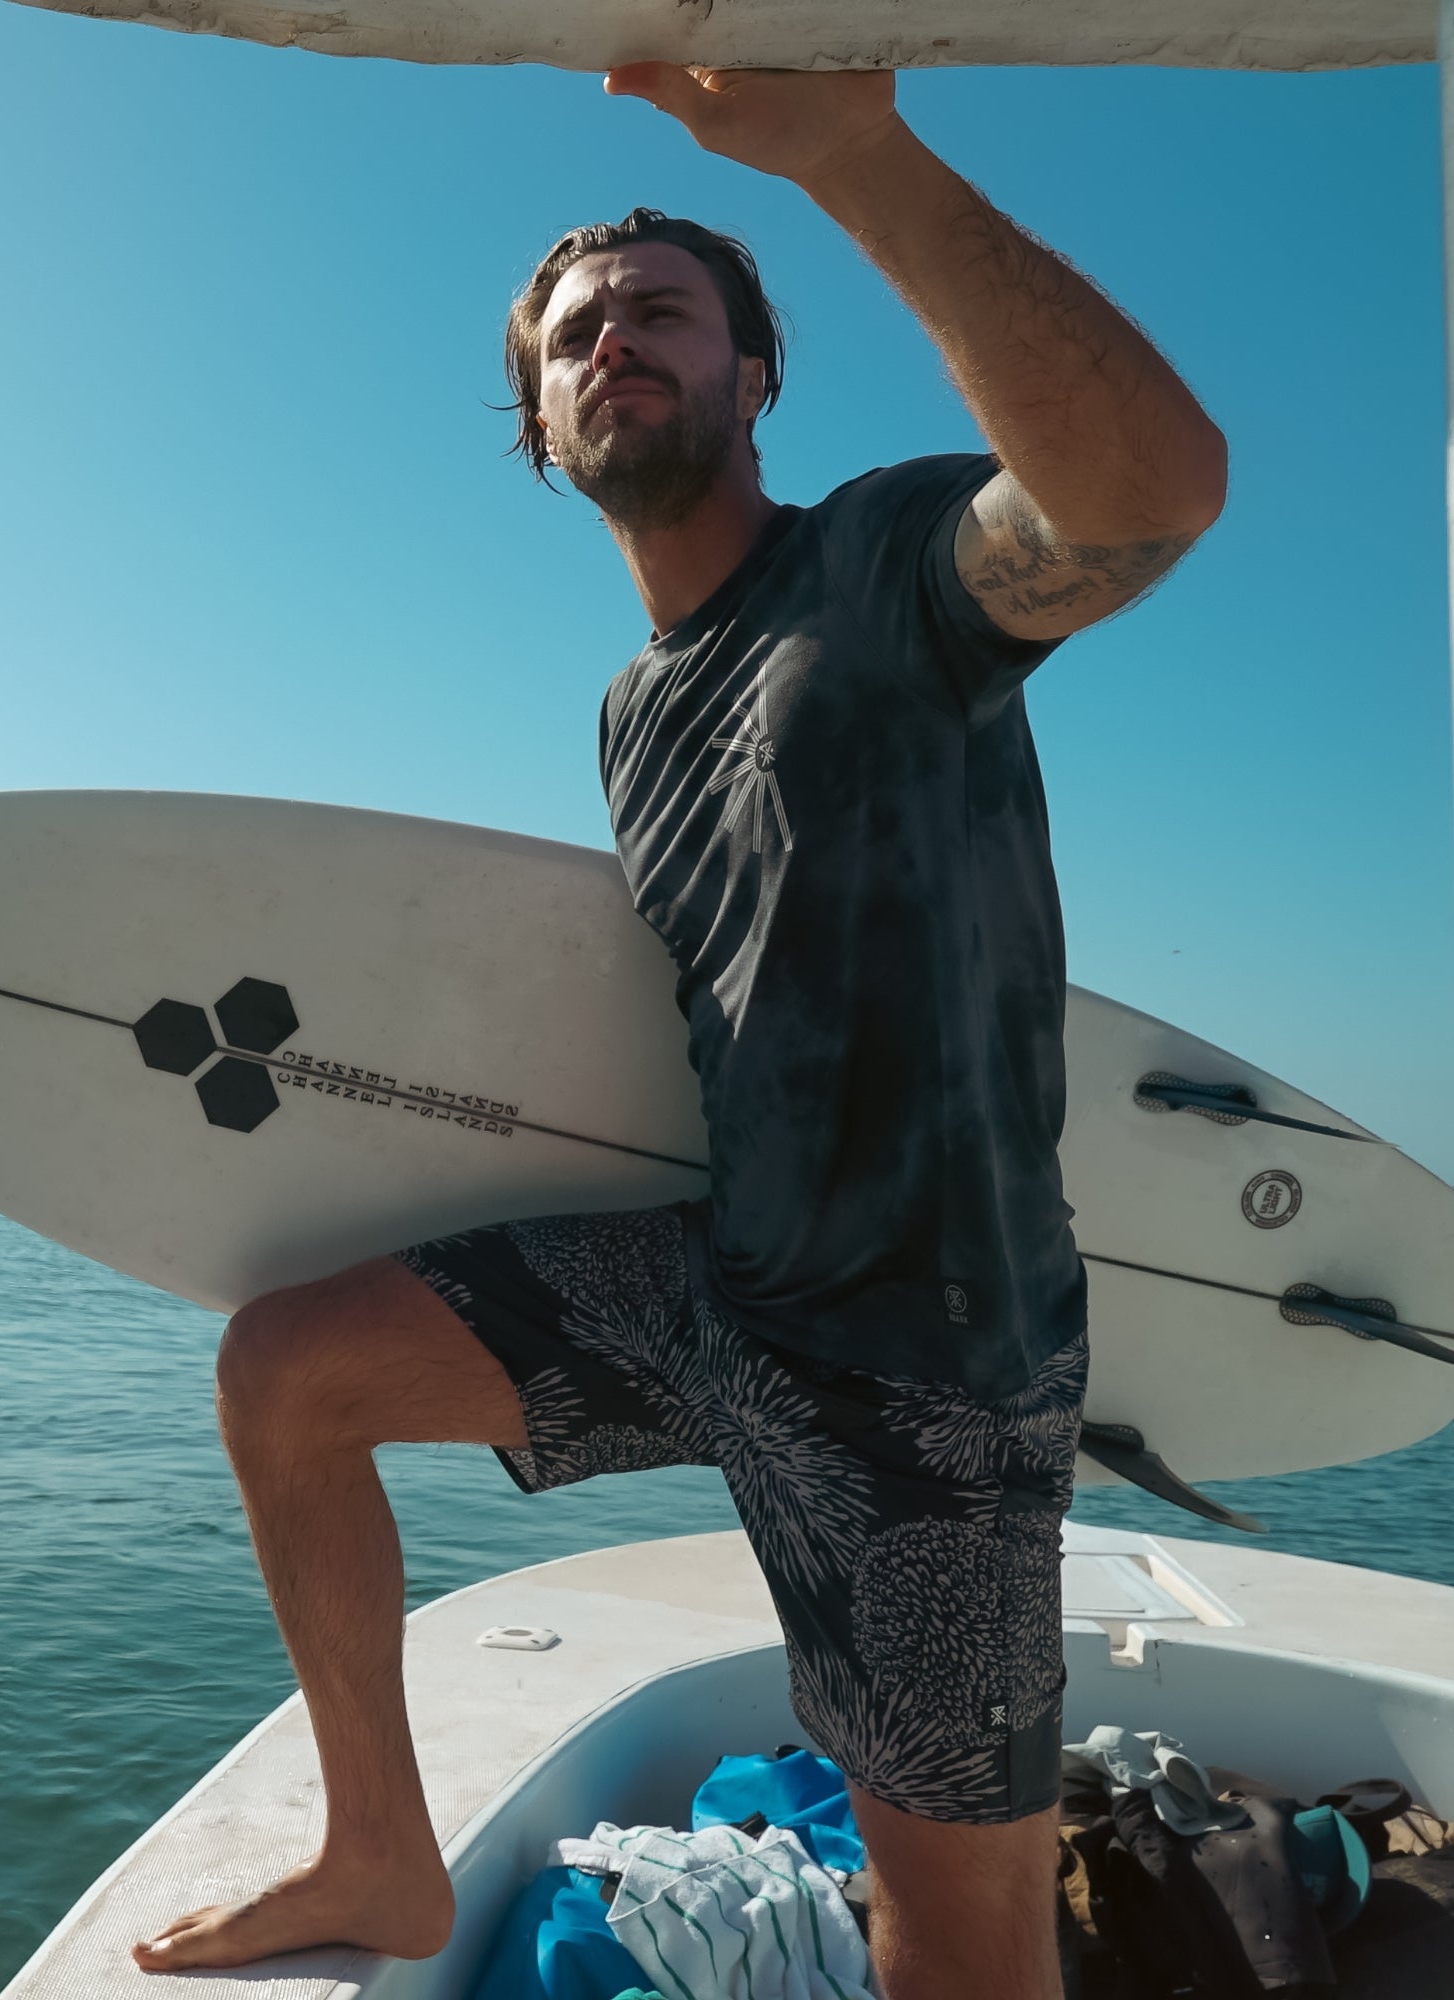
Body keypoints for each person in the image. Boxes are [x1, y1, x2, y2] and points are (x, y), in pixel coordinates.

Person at [133, 63, 1225, 1999]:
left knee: (952, 1934)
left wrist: (850, 153)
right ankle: (379, 1854)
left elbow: (1143, 499)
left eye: (658, 311)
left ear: (751, 370)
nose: (611, 341)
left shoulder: (888, 566)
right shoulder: (633, 707)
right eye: (574, 333)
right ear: (538, 427)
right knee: (288, 1372)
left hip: (930, 1367)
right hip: (728, 1293)